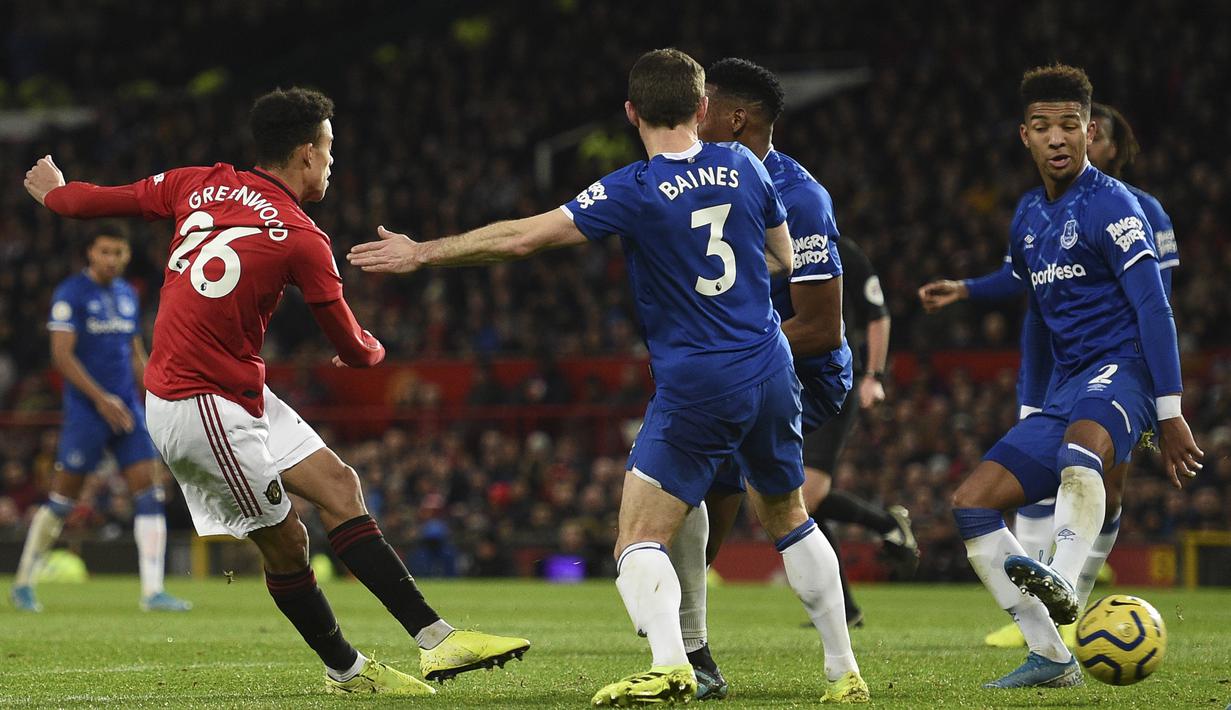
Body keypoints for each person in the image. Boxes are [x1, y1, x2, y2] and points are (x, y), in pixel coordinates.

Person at [348, 49, 868, 706]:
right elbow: (782, 257)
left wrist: (423, 251)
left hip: (699, 378)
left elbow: (522, 238)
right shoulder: (744, 164)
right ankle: (844, 672)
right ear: (701, 107)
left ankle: (671, 664)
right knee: (789, 518)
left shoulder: (633, 189)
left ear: (630, 113)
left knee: (637, 536)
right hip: (769, 366)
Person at [22, 87, 529, 696]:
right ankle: (346, 671)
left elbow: (89, 202)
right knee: (287, 541)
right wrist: (371, 348)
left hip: (238, 388)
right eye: (330, 149)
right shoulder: (300, 235)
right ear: (307, 153)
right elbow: (358, 350)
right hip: (197, 403)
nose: (333, 162)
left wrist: (54, 190)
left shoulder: (196, 182)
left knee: (339, 484)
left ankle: (438, 639)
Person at [947, 64, 1202, 689]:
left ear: (1089, 131)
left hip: (1126, 370)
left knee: (1081, 449)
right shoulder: (1028, 215)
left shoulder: (1114, 204)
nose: (1056, 138)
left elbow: (1154, 307)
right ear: (1024, 136)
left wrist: (1169, 411)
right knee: (971, 503)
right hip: (1066, 385)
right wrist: (1030, 402)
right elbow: (1034, 312)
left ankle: (1063, 573)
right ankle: (1051, 655)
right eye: (1042, 127)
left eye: (1069, 124)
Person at [666, 57, 883, 701]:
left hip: (804, 374)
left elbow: (821, 328)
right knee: (700, 494)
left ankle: (830, 664)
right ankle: (692, 650)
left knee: (773, 506)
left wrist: (721, 352)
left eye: (704, 108)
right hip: (740, 363)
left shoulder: (800, 197)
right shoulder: (702, 183)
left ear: (736, 119)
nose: (693, 118)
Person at [10, 223, 191, 614]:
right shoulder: (71, 293)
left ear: (127, 255)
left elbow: (135, 353)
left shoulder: (127, 294)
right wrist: (101, 399)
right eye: (105, 251)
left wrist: (159, 395)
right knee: (62, 501)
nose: (112, 259)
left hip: (127, 410)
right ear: (90, 253)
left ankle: (153, 592)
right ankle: (23, 582)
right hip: (86, 413)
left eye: (118, 252)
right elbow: (61, 356)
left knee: (149, 492)